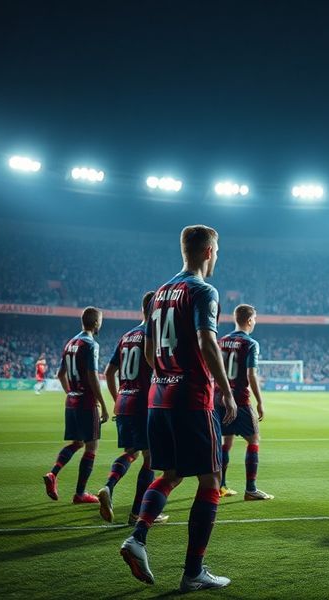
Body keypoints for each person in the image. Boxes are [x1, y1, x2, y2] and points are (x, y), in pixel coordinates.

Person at [120, 225, 238, 592]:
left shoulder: (160, 293)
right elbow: (206, 340)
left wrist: (167, 376)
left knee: (170, 473)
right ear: (208, 251)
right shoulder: (203, 290)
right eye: (216, 251)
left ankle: (137, 538)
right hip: (193, 398)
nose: (217, 257)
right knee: (211, 480)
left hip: (159, 397)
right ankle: (193, 572)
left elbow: (150, 349)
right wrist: (225, 389)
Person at [97, 291, 169, 525]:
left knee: (131, 452)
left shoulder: (126, 336)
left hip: (124, 403)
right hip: (143, 404)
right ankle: (137, 513)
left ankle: (109, 486)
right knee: (150, 458)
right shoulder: (153, 336)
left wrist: (118, 397)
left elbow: (109, 372)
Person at [42, 307, 109, 504]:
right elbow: (92, 376)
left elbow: (60, 374)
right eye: (100, 321)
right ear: (96, 323)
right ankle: (80, 494)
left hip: (71, 401)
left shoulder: (70, 343)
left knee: (77, 443)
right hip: (86, 403)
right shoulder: (91, 344)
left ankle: (53, 474)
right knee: (92, 446)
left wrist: (71, 392)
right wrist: (104, 405)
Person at [216, 304, 273, 500]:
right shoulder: (250, 343)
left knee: (226, 441)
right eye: (254, 319)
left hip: (219, 399)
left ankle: (221, 486)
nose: (255, 322)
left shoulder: (220, 341)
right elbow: (251, 374)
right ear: (249, 320)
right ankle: (251, 488)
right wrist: (260, 401)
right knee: (254, 440)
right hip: (239, 399)